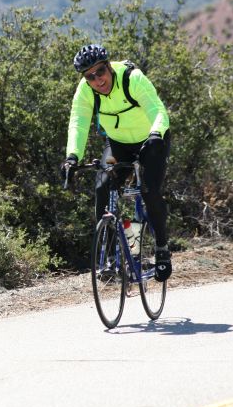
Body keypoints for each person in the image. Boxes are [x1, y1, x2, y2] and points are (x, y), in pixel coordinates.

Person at [61, 43, 172, 281]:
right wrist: (72, 157)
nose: (97, 79)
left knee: (150, 190)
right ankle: (111, 258)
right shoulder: (86, 90)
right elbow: (78, 123)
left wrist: (155, 134)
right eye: (90, 76)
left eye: (100, 71)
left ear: (109, 66)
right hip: (119, 144)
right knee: (102, 186)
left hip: (151, 139)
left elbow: (158, 111)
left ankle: (162, 249)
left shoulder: (132, 78)